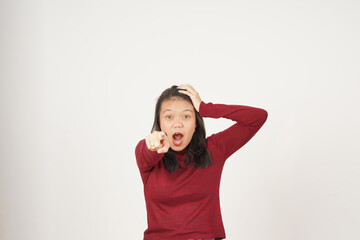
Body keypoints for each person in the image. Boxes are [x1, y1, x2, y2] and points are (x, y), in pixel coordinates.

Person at [135, 84, 268, 240]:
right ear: (159, 122)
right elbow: (148, 151)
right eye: (169, 117)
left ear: (196, 122)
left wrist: (207, 109)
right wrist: (153, 145)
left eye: (186, 116)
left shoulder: (214, 149)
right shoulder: (148, 151)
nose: (178, 123)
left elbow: (258, 117)